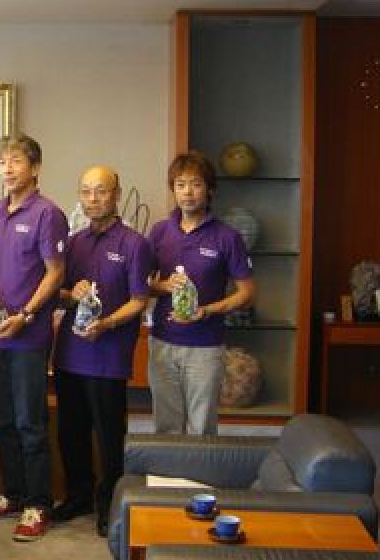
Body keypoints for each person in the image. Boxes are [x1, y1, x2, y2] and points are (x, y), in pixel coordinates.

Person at [0, 134, 67, 543]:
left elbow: (56, 272)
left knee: (30, 423)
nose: (7, 169)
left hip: (28, 337)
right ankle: (12, 494)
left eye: (16, 162)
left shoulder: (48, 214)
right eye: (3, 162)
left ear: (35, 168)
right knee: (0, 421)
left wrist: (25, 314)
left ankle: (38, 504)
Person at [51, 166, 153, 537]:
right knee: (71, 432)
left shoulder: (134, 244)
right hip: (69, 354)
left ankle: (110, 502)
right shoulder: (73, 242)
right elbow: (57, 294)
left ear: (116, 194)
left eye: (101, 191)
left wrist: (107, 323)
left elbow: (140, 300)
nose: (93, 199)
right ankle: (78, 495)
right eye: (86, 192)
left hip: (108, 357)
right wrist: (70, 293)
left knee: (109, 437)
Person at [148, 151, 255, 435]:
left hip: (205, 346)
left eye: (196, 184)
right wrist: (163, 286)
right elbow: (141, 285)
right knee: (166, 427)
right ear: (173, 189)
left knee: (202, 428)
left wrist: (207, 310)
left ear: (209, 190)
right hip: (162, 342)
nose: (188, 192)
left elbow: (246, 292)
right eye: (180, 185)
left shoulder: (227, 237)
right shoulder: (159, 232)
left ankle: (200, 468)